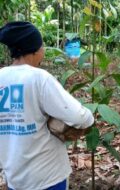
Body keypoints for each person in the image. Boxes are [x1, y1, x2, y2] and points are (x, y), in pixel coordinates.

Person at [0, 21, 94, 190]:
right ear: (34, 50)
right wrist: (89, 116)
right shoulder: (39, 78)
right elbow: (80, 117)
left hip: (15, 178)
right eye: (42, 46)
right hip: (47, 177)